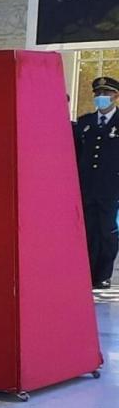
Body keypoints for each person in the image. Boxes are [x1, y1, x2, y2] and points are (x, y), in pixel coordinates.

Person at [76, 76, 119, 290]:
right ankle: (88, 272)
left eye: (107, 93)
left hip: (111, 189)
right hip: (87, 188)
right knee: (89, 231)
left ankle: (103, 274)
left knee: (107, 231)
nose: (102, 97)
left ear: (116, 96)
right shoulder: (84, 123)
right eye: (99, 94)